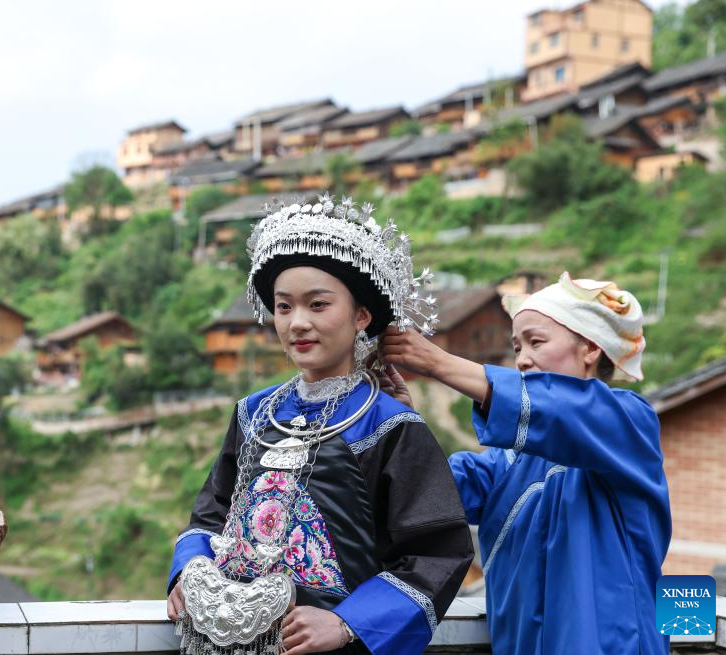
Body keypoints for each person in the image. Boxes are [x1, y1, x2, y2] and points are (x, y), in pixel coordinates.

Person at [166, 195, 473, 655]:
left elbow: (435, 553)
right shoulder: (253, 414)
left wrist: (348, 622)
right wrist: (189, 571)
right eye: (284, 307)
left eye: (318, 304)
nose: (297, 323)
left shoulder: (391, 426)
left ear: (361, 315)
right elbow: (211, 514)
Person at [376, 272, 671, 654]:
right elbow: (430, 491)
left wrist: (437, 362)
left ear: (590, 348)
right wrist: (403, 424)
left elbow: (564, 412)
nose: (522, 359)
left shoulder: (629, 425)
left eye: (536, 342)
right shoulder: (505, 464)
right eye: (517, 347)